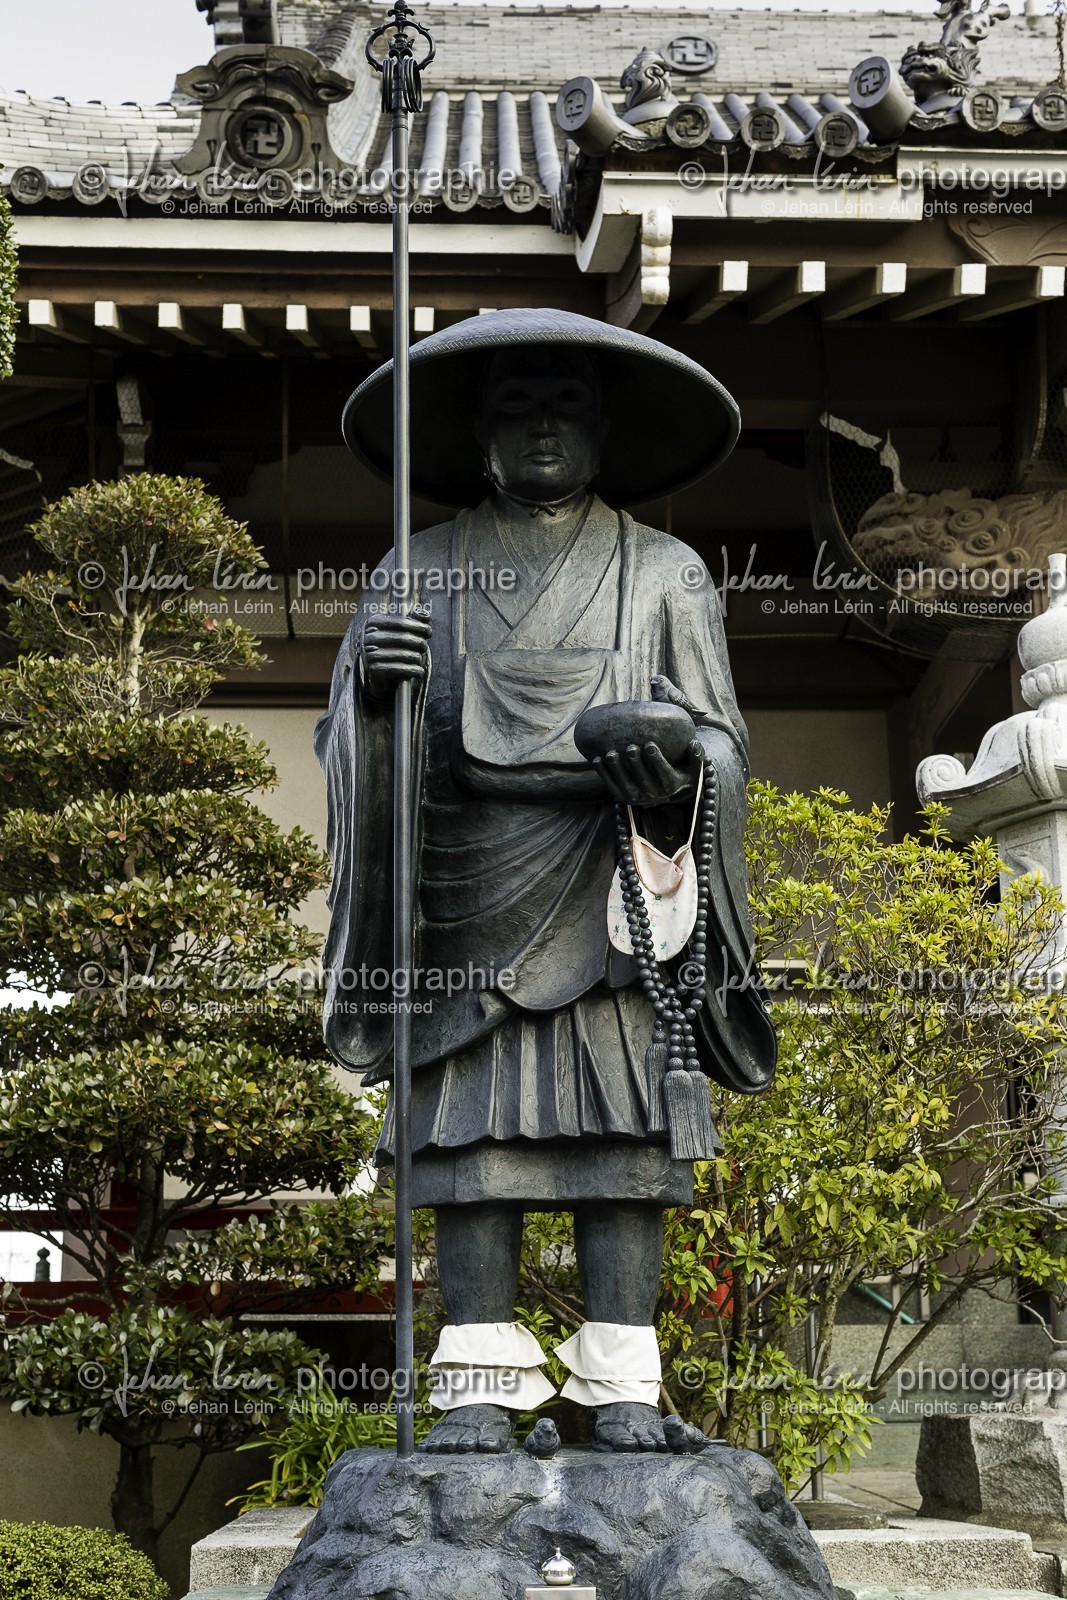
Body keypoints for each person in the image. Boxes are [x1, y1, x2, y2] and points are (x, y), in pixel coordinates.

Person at [315, 309, 776, 1454]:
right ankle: (475, 1377)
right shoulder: (416, 566)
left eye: (564, 405)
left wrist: (667, 757)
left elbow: (722, 743)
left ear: (603, 429)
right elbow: (348, 742)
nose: (540, 430)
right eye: (513, 407)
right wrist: (376, 696)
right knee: (474, 1153)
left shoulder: (664, 570)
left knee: (621, 1150)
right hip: (465, 898)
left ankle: (620, 1379)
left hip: (614, 892)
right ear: (475, 434)